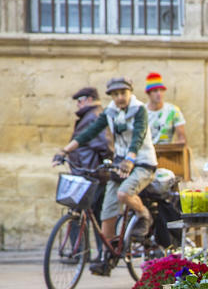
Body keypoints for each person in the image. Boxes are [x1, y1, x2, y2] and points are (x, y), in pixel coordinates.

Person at [54, 76, 158, 274]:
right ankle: (107, 257)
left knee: (124, 194)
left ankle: (143, 214)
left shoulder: (139, 110)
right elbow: (88, 134)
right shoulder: (110, 112)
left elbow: (138, 136)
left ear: (130, 93)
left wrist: (130, 159)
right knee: (107, 214)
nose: (120, 97)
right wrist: (64, 151)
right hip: (120, 166)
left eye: (123, 93)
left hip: (143, 163)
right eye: (116, 94)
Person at [67, 86, 113, 259]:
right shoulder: (91, 116)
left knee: (78, 213)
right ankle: (100, 253)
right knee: (96, 215)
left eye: (79, 101)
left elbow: (106, 146)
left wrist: (102, 165)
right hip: (92, 174)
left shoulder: (93, 116)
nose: (78, 105)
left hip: (90, 174)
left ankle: (80, 253)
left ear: (89, 99)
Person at [145, 72, 186, 145]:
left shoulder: (173, 110)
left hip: (167, 152)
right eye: (155, 91)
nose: (159, 94)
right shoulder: (141, 111)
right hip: (146, 152)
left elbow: (182, 138)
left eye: (161, 90)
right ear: (148, 93)